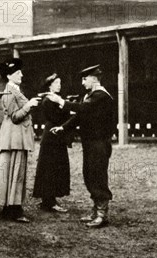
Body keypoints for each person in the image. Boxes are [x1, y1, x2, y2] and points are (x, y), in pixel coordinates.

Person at [49, 65, 116, 228]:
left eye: (85, 79)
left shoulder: (101, 96)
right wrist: (63, 127)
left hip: (99, 143)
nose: (82, 82)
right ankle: (96, 211)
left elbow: (82, 109)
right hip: (91, 143)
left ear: (94, 79)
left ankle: (102, 214)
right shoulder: (91, 96)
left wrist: (61, 101)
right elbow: (79, 116)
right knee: (89, 174)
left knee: (97, 176)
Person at [0, 58, 40, 223]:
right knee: (15, 173)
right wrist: (30, 105)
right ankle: (13, 209)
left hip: (15, 138)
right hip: (14, 138)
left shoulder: (13, 90)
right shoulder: (11, 92)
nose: (22, 75)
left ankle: (11, 207)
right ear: (10, 75)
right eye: (18, 72)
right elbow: (15, 117)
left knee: (13, 173)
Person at [32, 73, 71, 213]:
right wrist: (66, 108)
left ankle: (48, 199)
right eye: (56, 83)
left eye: (60, 82)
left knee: (53, 167)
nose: (59, 85)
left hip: (56, 136)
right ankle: (49, 201)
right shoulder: (48, 100)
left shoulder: (55, 99)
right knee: (50, 168)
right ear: (50, 85)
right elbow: (54, 117)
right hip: (52, 137)